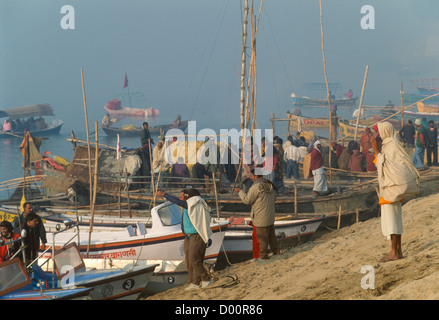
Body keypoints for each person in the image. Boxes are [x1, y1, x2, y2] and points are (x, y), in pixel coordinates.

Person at [373, 122, 420, 262]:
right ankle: (397, 251)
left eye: (379, 133)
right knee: (395, 222)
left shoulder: (391, 146)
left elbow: (386, 166)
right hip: (392, 189)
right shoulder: (391, 144)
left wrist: (376, 151)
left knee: (392, 222)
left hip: (391, 189)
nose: (378, 136)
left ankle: (394, 252)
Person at [156, 189, 213, 290]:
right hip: (190, 236)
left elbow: (177, 202)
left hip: (196, 235)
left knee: (194, 259)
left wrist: (165, 194)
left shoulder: (194, 204)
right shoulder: (191, 205)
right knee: (192, 260)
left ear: (189, 197)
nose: (181, 198)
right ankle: (195, 283)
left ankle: (206, 278)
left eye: (183, 197)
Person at [234, 168, 279, 260]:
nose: (250, 178)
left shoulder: (256, 187)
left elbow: (247, 200)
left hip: (260, 218)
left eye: (251, 176)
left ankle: (263, 257)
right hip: (270, 216)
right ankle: (276, 253)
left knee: (262, 240)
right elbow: (274, 199)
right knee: (272, 238)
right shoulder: (270, 185)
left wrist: (240, 192)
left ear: (256, 176)